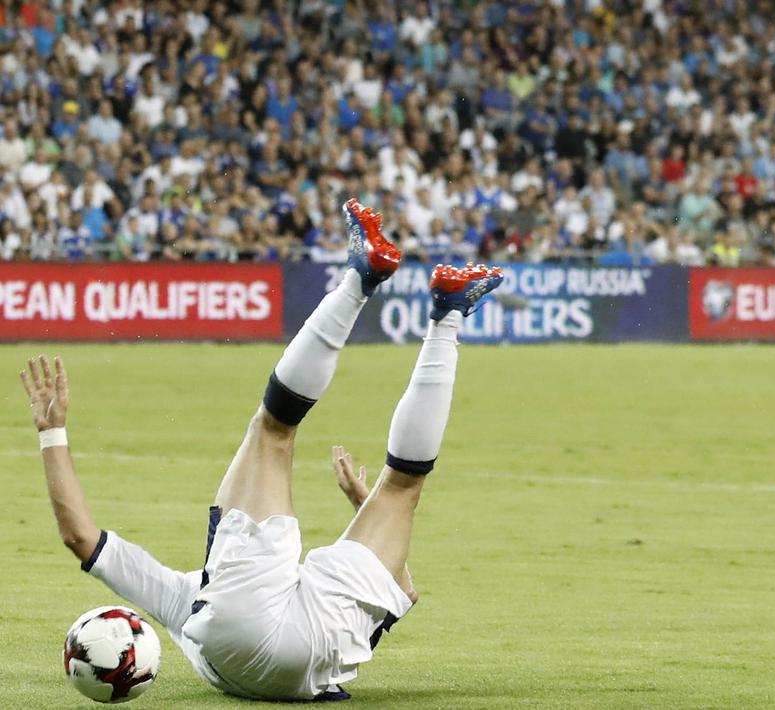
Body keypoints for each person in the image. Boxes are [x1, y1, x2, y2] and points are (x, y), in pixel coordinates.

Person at [20, 198, 505, 701]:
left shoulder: (184, 604)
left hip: (314, 658)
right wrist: (51, 431)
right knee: (274, 429)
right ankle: (363, 277)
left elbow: (404, 593)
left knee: (403, 486)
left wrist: (369, 505)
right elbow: (80, 537)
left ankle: (449, 312)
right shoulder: (181, 603)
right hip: (239, 630)